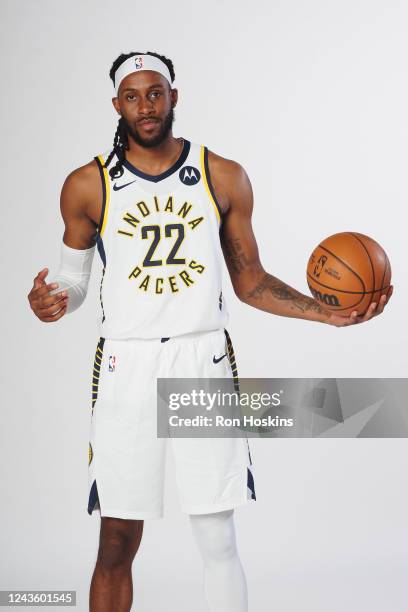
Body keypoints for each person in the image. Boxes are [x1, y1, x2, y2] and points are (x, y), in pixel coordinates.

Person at [27, 51, 393, 612]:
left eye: (156, 93)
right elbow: (72, 285)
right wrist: (52, 301)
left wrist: (328, 313)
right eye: (133, 96)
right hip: (127, 364)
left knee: (217, 535)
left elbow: (249, 282)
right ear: (116, 105)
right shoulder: (87, 184)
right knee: (117, 541)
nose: (146, 106)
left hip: (202, 361)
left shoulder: (221, 175)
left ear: (174, 97)